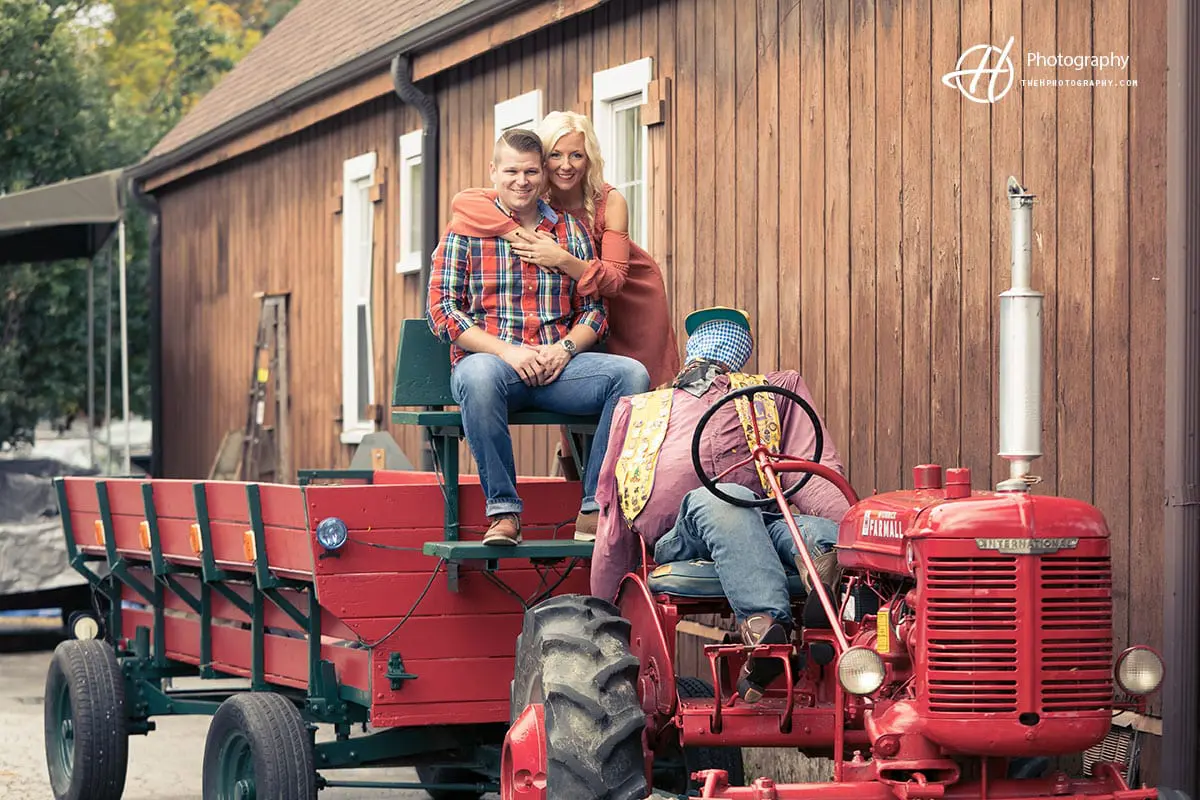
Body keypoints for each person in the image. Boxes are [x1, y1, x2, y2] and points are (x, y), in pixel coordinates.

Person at [589, 307, 851, 703]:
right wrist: (605, 611)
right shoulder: (642, 407)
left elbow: (811, 473)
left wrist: (856, 530)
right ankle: (763, 628)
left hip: (764, 519)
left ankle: (827, 591)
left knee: (820, 533)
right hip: (681, 535)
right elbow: (614, 506)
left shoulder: (771, 391)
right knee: (728, 497)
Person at [426, 128, 650, 546]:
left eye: (530, 171)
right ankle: (504, 514)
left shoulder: (570, 233)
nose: (521, 181)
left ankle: (592, 510)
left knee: (631, 376)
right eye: (511, 170)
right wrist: (508, 353)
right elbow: (442, 311)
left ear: (542, 176)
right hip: (495, 369)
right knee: (476, 377)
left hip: (557, 369)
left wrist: (564, 349)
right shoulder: (465, 231)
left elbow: (594, 312)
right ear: (493, 172)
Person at [448, 111, 680, 388]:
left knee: (634, 393)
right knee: (572, 386)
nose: (566, 165)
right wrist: (519, 235)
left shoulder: (609, 200)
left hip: (627, 298)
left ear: (589, 158)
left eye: (577, 155)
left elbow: (616, 281)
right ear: (542, 160)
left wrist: (561, 258)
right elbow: (463, 201)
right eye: (556, 155)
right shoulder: (532, 195)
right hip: (574, 303)